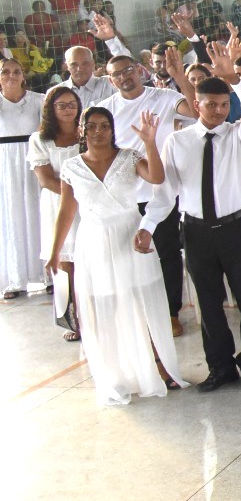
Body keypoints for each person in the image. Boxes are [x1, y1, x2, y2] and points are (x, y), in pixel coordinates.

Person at [138, 77, 241, 392]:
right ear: (196, 104)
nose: (219, 111)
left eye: (224, 105)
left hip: (237, 228)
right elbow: (165, 193)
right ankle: (220, 367)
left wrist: (236, 81)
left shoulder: (240, 134)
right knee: (208, 305)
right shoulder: (177, 141)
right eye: (211, 104)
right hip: (196, 232)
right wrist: (147, 226)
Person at [47, 108, 184, 405]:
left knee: (141, 301)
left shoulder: (129, 157)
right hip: (94, 242)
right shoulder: (71, 167)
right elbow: (66, 212)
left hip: (130, 236)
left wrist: (149, 142)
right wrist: (55, 251)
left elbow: (157, 177)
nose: (98, 132)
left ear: (112, 129)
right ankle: (116, 374)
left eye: (104, 126)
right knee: (105, 309)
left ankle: (159, 367)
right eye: (92, 126)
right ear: (83, 130)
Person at [95, 48, 194, 334]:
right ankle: (136, 312)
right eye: (116, 75)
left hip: (160, 190)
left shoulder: (163, 98)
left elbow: (197, 110)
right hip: (123, 194)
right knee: (128, 256)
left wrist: (179, 77)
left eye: (128, 70)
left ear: (140, 70)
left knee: (167, 253)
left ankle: (171, 312)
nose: (124, 77)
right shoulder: (107, 108)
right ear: (110, 80)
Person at [30, 84, 81, 336]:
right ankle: (70, 320)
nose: (67, 110)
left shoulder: (87, 133)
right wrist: (77, 192)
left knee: (88, 260)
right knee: (65, 263)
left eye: (72, 104)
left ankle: (93, 316)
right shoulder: (39, 139)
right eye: (61, 105)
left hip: (89, 205)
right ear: (50, 109)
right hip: (58, 204)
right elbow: (46, 179)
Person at [1, 58, 46, 299]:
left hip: (33, 158)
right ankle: (13, 279)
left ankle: (47, 274)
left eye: (16, 71)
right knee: (10, 215)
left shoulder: (39, 100)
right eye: (5, 71)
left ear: (23, 75)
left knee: (38, 211)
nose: (11, 75)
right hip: (4, 163)